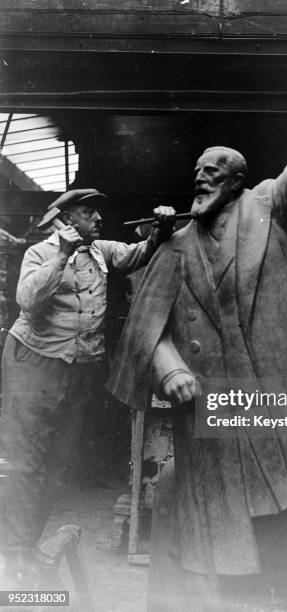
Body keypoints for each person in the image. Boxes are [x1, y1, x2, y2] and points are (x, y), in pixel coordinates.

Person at [109, 1, 287, 609]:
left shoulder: (271, 208)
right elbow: (144, 330)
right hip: (219, 405)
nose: (200, 179)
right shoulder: (175, 247)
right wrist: (172, 368)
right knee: (233, 536)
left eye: (212, 172)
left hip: (286, 395)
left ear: (236, 180)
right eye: (197, 172)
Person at [0, 188, 175, 584]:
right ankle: (14, 556)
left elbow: (135, 255)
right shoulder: (41, 253)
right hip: (34, 362)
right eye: (88, 211)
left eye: (98, 211)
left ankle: (26, 546)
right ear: (66, 218)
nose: (98, 218)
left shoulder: (99, 250)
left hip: (78, 368)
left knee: (58, 464)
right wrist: (61, 254)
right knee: (27, 462)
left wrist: (159, 232)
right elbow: (27, 301)